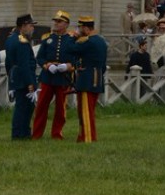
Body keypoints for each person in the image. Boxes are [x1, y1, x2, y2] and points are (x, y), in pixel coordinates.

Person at [32, 10, 76, 140]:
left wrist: (68, 66)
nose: (56, 24)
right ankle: (36, 133)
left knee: (60, 108)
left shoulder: (72, 40)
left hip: (63, 77)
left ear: (66, 24)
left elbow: (76, 59)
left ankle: (57, 133)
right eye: (55, 21)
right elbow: (40, 58)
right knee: (41, 106)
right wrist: (47, 65)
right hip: (48, 76)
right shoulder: (48, 38)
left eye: (59, 21)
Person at [66, 15, 108, 143]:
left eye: (80, 28)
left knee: (85, 112)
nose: (79, 30)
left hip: (87, 79)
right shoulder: (101, 41)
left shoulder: (88, 41)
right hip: (97, 77)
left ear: (85, 28)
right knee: (88, 110)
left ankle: (88, 138)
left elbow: (70, 49)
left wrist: (73, 37)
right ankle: (83, 136)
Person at [5, 14, 38, 140]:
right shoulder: (22, 41)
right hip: (24, 77)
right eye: (30, 25)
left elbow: (8, 63)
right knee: (25, 107)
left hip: (15, 76)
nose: (32, 28)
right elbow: (25, 64)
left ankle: (19, 132)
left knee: (21, 106)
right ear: (23, 26)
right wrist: (30, 82)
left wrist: (11, 77)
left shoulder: (10, 39)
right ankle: (21, 133)